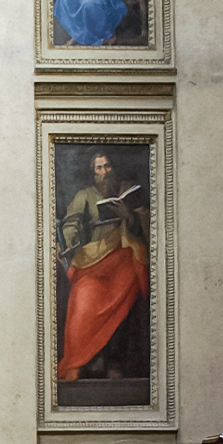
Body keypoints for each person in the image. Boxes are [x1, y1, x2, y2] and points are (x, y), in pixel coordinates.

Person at [57, 151, 148, 382]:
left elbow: (146, 225)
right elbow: (71, 223)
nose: (104, 173)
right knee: (84, 296)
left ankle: (115, 361)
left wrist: (129, 216)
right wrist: (69, 240)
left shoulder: (127, 190)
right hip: (93, 261)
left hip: (124, 256)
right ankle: (81, 360)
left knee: (129, 282)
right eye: (99, 168)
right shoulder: (84, 196)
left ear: (114, 168)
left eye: (107, 166)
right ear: (93, 172)